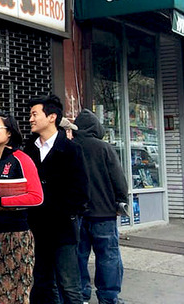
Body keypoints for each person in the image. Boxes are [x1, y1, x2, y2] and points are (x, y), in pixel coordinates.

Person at [25, 95, 88, 304]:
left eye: (35, 114)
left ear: (51, 117)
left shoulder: (71, 149)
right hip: (36, 229)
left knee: (69, 286)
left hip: (62, 229)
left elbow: (80, 192)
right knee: (42, 282)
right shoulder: (29, 149)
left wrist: (66, 214)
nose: (30, 119)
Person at [0, 110, 43, 304]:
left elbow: (37, 197)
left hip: (15, 237)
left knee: (10, 294)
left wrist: (0, 201)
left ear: (9, 133)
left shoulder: (22, 159)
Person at [72, 109, 128, 304]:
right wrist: (121, 201)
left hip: (78, 213)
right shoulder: (104, 148)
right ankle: (108, 297)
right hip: (104, 212)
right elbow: (118, 178)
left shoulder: (71, 147)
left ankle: (80, 294)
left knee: (78, 255)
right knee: (109, 256)